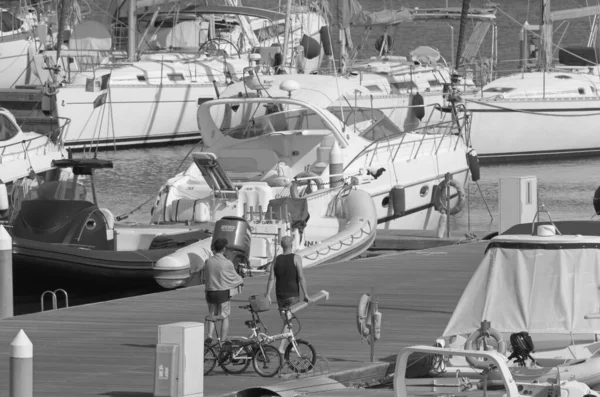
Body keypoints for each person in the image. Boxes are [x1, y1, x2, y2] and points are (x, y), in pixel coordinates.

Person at [265, 235, 313, 352]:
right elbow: (301, 278)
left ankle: (292, 344)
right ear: (291, 246)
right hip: (293, 294)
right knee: (288, 321)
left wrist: (267, 294)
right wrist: (306, 294)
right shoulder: (296, 258)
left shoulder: (276, 259)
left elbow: (271, 278)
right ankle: (281, 348)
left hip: (280, 295)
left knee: (287, 320)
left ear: (282, 246)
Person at [204, 238, 243, 343]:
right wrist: (240, 281)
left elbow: (205, 277)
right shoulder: (227, 263)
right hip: (222, 294)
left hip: (210, 293)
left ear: (214, 249)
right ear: (224, 249)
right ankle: (222, 340)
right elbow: (235, 278)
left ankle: (209, 335)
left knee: (212, 314)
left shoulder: (208, 262)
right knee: (225, 317)